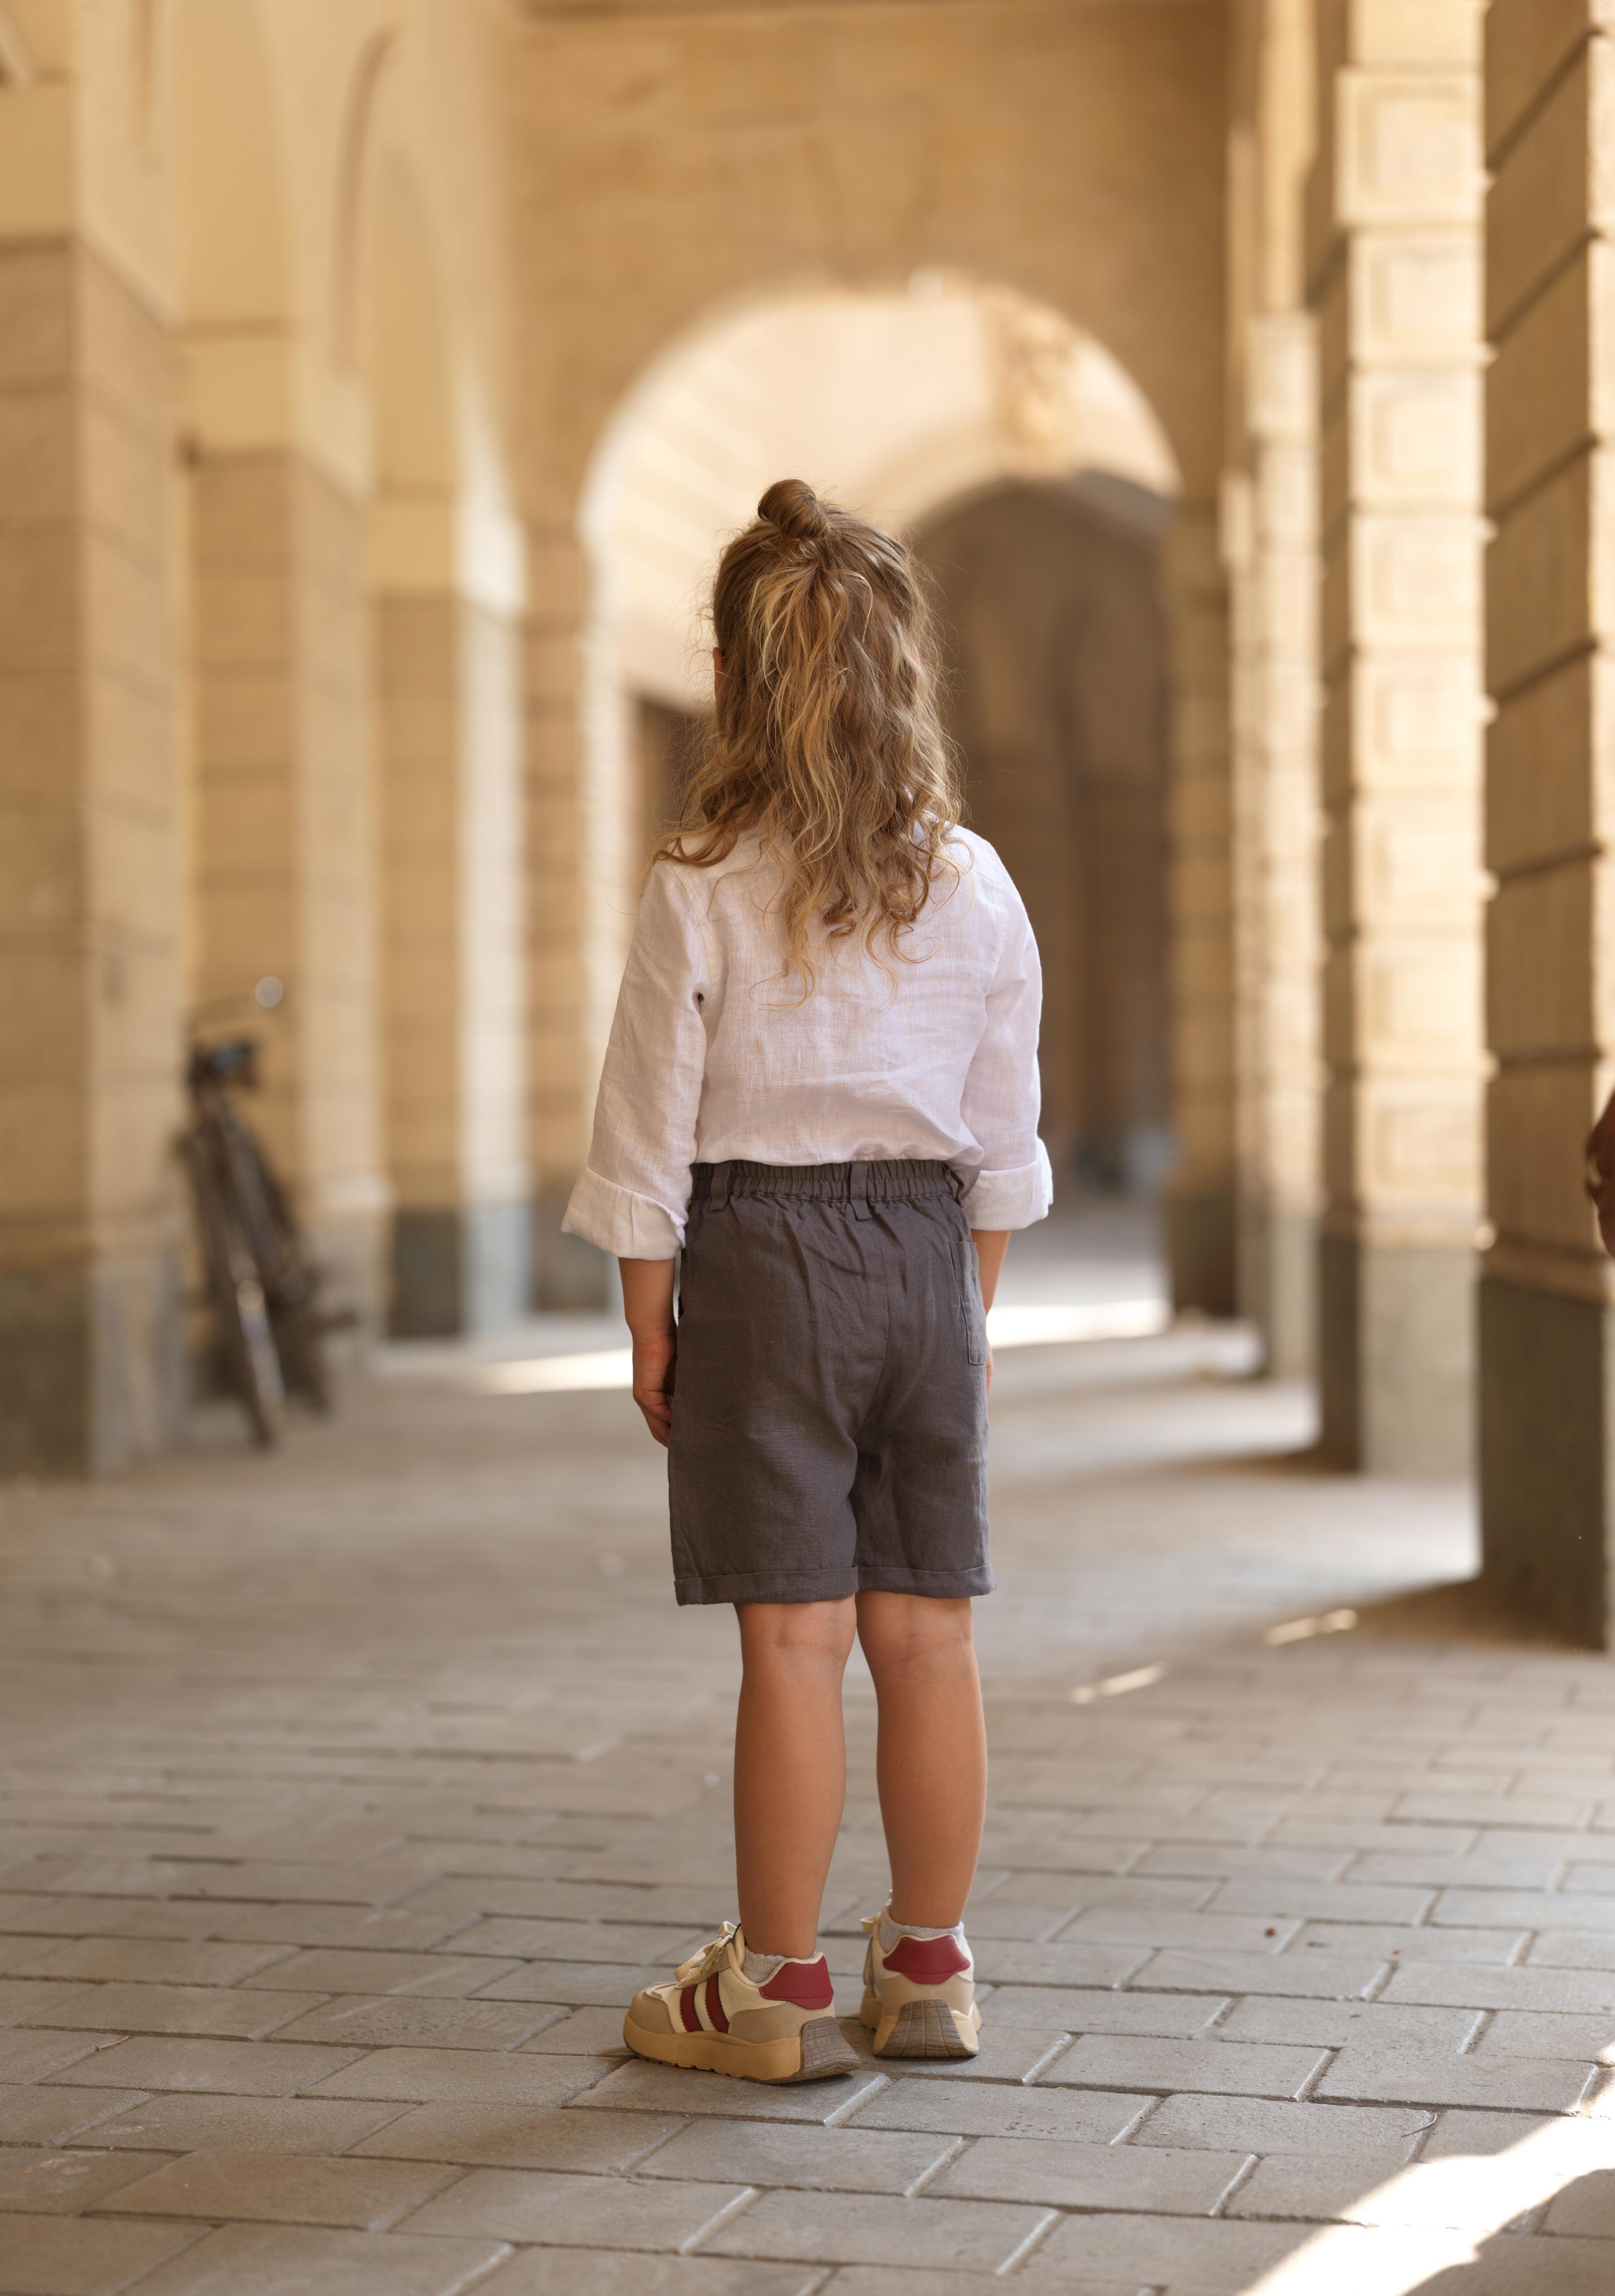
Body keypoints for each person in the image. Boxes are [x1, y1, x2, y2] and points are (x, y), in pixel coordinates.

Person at [563, 478, 1052, 2082]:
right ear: (904, 677)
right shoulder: (969, 881)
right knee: (930, 1637)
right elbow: (1002, 1135)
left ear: (728, 683)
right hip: (923, 1257)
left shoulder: (700, 881)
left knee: (794, 1643)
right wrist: (959, 1312)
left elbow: (645, 1120)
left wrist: (652, 1316)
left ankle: (769, 1990)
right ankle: (924, 1968)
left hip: (760, 1260)